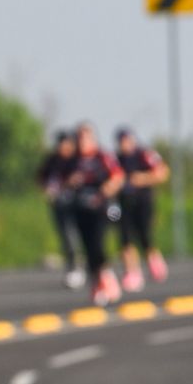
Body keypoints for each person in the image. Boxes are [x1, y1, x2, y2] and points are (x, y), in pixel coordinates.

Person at [64, 122, 125, 306]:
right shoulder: (72, 161)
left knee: (98, 245)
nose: (81, 141)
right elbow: (59, 182)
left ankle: (106, 279)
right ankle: (96, 283)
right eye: (79, 137)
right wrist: (70, 182)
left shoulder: (102, 156)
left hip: (101, 209)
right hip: (79, 209)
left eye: (85, 137)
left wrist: (104, 191)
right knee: (87, 248)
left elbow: (118, 176)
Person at [113, 127, 169, 293]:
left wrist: (143, 178)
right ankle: (132, 272)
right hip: (122, 204)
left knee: (145, 235)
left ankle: (153, 259)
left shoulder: (144, 154)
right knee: (125, 238)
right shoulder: (116, 159)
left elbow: (163, 172)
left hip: (143, 201)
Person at [38, 131, 83, 288]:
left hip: (80, 206)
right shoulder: (52, 161)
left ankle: (93, 268)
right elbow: (42, 179)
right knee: (68, 237)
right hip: (60, 206)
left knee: (84, 237)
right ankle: (74, 268)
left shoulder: (78, 160)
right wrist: (49, 190)